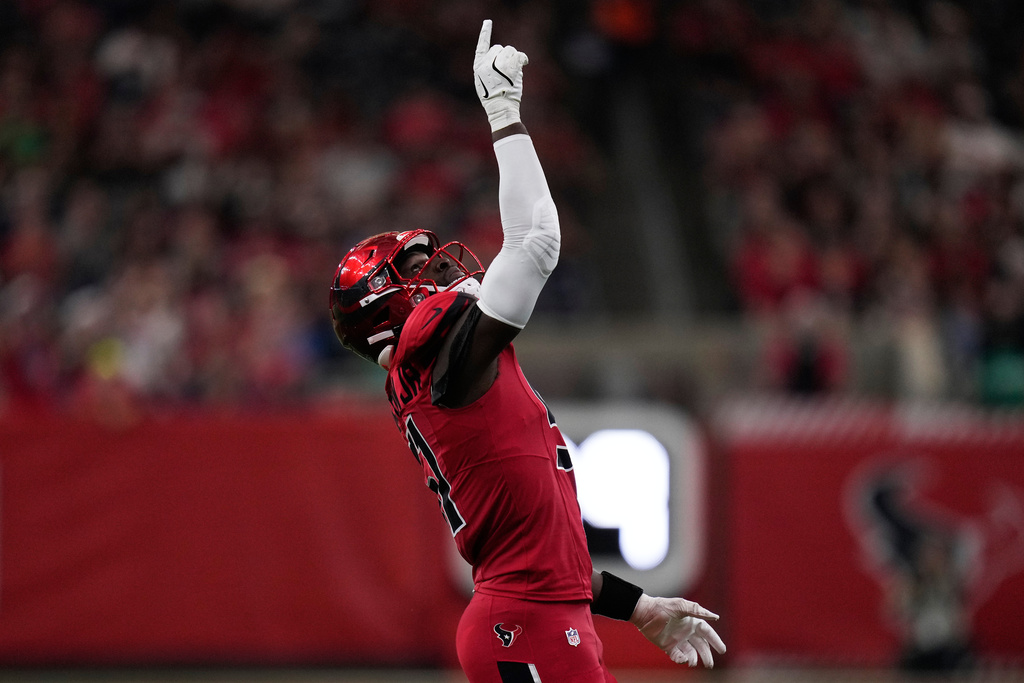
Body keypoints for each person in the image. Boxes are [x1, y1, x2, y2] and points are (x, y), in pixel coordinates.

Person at [329, 20, 725, 682]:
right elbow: (537, 241)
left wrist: (642, 605)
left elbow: (546, 558)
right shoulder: (433, 362)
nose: (436, 276)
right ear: (387, 307)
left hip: (535, 619)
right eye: (416, 273)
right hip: (526, 628)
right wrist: (505, 114)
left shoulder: (440, 371)